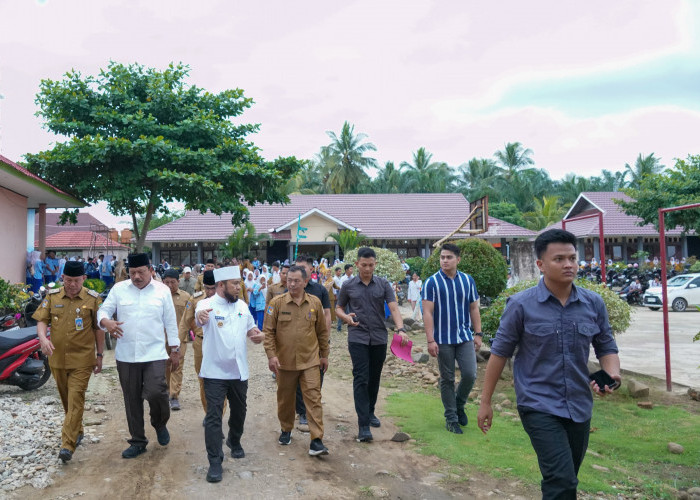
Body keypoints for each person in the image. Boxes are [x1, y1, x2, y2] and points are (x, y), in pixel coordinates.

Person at [477, 229, 620, 499]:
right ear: (540, 264)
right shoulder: (520, 305)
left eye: (572, 258)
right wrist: (486, 401)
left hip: (579, 404)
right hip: (538, 403)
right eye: (559, 259)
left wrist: (612, 374)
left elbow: (606, 346)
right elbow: (500, 353)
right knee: (561, 478)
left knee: (567, 478)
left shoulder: (593, 303)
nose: (568, 264)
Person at [97, 253, 181, 459]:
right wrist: (106, 322)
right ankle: (138, 441)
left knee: (157, 392)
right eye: (132, 272)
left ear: (150, 270)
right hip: (126, 356)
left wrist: (175, 349)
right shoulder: (119, 290)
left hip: (154, 354)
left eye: (140, 272)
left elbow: (170, 322)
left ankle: (159, 424)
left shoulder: (162, 291)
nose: (136, 276)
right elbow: (103, 310)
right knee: (131, 400)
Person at [195, 266, 264, 483]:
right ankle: (215, 461)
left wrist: (256, 335)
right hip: (214, 371)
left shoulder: (242, 305)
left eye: (239, 283)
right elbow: (199, 319)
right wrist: (201, 317)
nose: (239, 286)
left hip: (238, 371)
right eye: (235, 283)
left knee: (239, 412)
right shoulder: (205, 305)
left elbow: (251, 329)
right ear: (221, 285)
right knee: (214, 417)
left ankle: (234, 441)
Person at [335, 247, 409, 442]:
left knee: (374, 377)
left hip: (378, 337)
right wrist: (345, 318)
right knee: (361, 377)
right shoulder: (349, 285)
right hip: (357, 336)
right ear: (357, 264)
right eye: (364, 265)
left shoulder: (383, 284)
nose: (367, 269)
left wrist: (401, 329)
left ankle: (370, 411)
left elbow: (393, 307)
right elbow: (339, 308)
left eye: (371, 265)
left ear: (375, 264)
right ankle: (363, 425)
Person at [32, 261, 103, 463]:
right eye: (68, 280)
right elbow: (41, 320)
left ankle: (67, 444)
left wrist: (99, 355)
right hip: (57, 359)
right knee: (67, 401)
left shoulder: (92, 299)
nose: (72, 284)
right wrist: (43, 339)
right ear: (62, 278)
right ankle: (78, 430)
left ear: (84, 279)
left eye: (76, 280)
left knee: (76, 397)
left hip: (82, 359)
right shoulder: (52, 297)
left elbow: (99, 329)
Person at [264, 265, 330, 456]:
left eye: (296, 281)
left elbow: (322, 332)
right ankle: (286, 429)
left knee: (314, 398)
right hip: (284, 362)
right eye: (289, 280)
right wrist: (271, 355)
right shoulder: (276, 303)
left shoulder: (315, 303)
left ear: (305, 282)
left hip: (310, 360)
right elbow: (268, 332)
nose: (292, 284)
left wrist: (324, 355)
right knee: (285, 399)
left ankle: (316, 440)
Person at [422, 243, 481, 434]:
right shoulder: (432, 282)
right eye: (442, 257)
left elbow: (474, 308)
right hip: (443, 339)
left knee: (470, 374)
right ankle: (451, 418)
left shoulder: (467, 280)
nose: (445, 260)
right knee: (447, 379)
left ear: (458, 259)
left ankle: (459, 403)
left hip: (464, 337)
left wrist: (478, 333)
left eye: (449, 257)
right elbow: (428, 313)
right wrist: (430, 340)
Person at [293, 255, 332, 426]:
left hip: (315, 341)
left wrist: (325, 338)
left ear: (311, 270)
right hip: (295, 342)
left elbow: (327, 315)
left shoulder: (320, 291)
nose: (299, 272)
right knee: (296, 377)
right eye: (297, 268)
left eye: (303, 268)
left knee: (316, 375)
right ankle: (301, 411)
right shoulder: (291, 289)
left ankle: (311, 407)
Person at [179, 270, 217, 416]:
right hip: (201, 344)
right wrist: (177, 344)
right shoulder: (195, 299)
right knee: (203, 380)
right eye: (207, 288)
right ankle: (209, 413)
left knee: (222, 380)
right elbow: (184, 323)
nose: (210, 291)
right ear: (202, 286)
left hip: (220, 344)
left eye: (213, 288)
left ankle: (217, 414)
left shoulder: (225, 299)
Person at [162, 269, 192, 411]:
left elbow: (191, 318)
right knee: (165, 366)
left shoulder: (186, 297)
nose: (169, 285)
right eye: (166, 282)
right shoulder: (158, 297)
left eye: (172, 282)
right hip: (162, 338)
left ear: (178, 282)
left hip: (180, 339)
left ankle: (174, 396)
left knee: (177, 366)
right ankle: (167, 390)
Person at [336, 264, 354, 331]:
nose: (352, 271)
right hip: (344, 297)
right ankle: (339, 327)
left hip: (351, 297)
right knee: (342, 311)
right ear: (346, 270)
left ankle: (351, 325)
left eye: (352, 269)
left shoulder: (352, 277)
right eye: (350, 269)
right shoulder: (343, 279)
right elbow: (341, 289)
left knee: (350, 311)